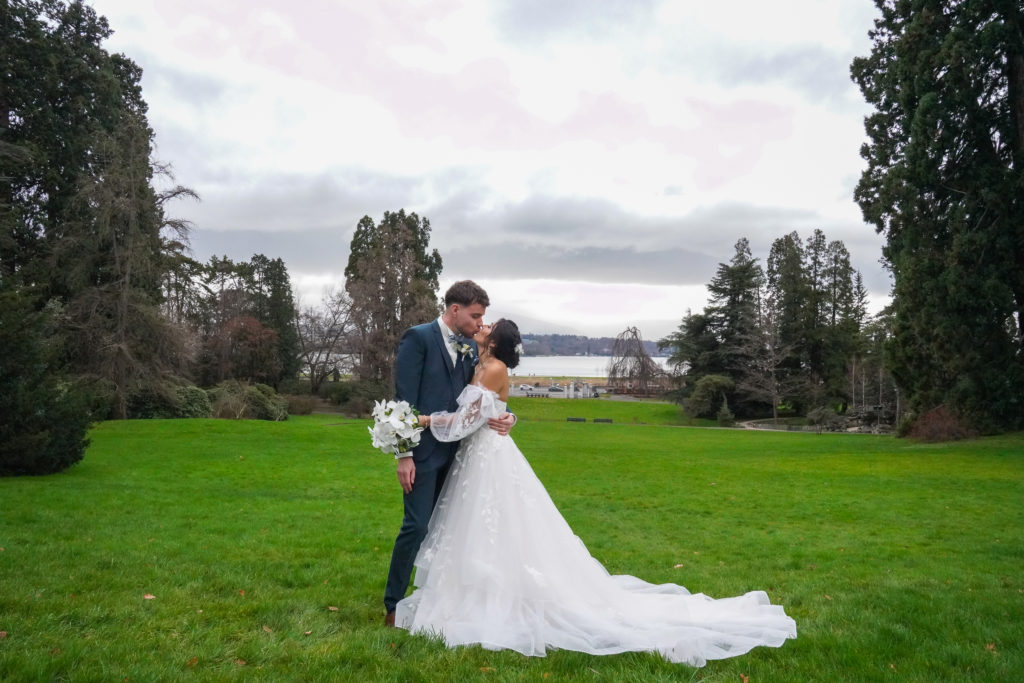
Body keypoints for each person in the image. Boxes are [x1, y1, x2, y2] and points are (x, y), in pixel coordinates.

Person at [395, 319, 797, 667]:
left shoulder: (493, 367)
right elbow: (484, 408)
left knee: (501, 524)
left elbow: (467, 420)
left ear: (495, 341)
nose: (480, 327)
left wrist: (426, 420)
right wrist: (505, 414)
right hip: (475, 456)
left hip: (486, 455)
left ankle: (501, 596)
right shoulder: (476, 359)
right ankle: (472, 588)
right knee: (477, 528)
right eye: (479, 321)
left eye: (487, 325)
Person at [383, 281, 516, 627]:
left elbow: (483, 399)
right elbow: (403, 400)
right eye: (474, 316)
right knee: (415, 526)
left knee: (446, 529)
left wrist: (508, 416)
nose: (478, 323)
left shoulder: (474, 349)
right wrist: (404, 454)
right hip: (423, 454)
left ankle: (433, 596)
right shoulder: (419, 338)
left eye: (482, 318)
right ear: (454, 309)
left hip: (461, 456)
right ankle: (394, 605)